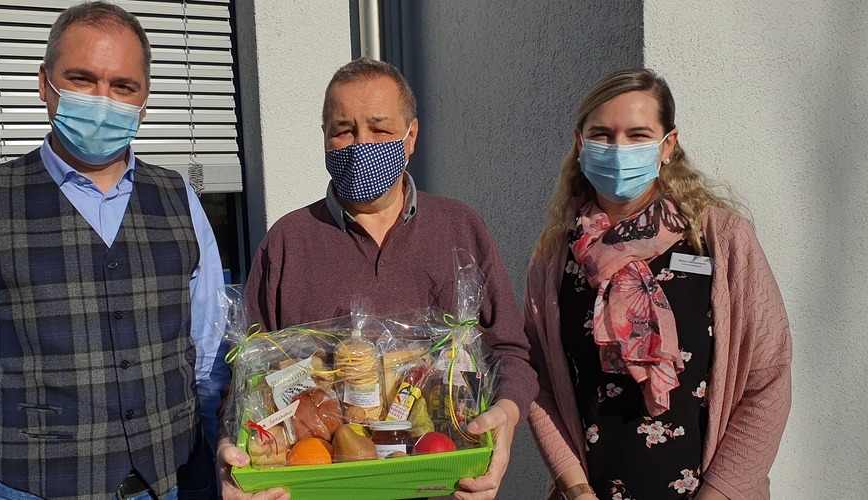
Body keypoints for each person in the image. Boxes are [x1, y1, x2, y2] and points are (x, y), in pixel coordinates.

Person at [0, 3, 227, 499]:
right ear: (45, 85)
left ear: (144, 101)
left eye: (123, 86)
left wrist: (222, 465)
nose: (103, 100)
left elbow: (209, 359)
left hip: (176, 483)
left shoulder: (180, 198)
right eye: (82, 79)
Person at [215, 57, 538, 500]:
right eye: (343, 130)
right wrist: (230, 447)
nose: (360, 143)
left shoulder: (460, 228)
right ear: (326, 139)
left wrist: (507, 413)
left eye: (380, 129)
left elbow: (509, 351)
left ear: (411, 137)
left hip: (441, 480)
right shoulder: (288, 241)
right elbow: (246, 373)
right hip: (321, 484)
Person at [524, 68, 791, 500]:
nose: (618, 149)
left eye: (637, 134)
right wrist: (575, 488)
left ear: (667, 145)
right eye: (602, 135)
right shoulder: (559, 254)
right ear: (580, 143)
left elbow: (767, 377)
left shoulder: (719, 240)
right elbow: (537, 381)